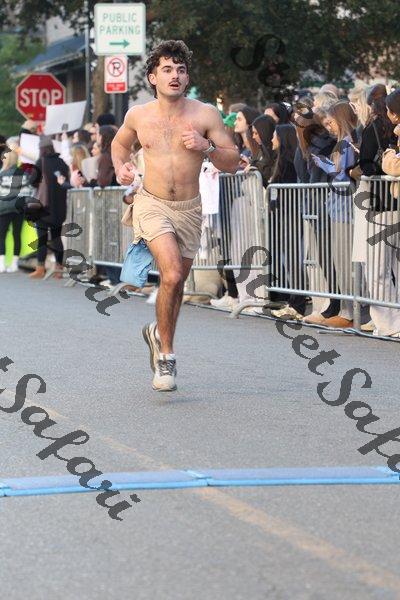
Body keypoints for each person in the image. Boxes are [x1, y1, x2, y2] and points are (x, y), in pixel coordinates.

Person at [111, 39, 239, 391]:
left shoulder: (205, 114)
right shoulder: (138, 115)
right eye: (167, 69)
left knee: (176, 280)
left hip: (189, 208)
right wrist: (121, 166)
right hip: (151, 203)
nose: (175, 76)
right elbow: (119, 144)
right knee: (170, 272)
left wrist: (207, 146)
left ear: (187, 77)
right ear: (153, 77)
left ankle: (157, 333)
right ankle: (166, 357)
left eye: (181, 70)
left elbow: (232, 160)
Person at [311, 100, 358, 328]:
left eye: (330, 122)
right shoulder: (344, 142)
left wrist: (322, 163)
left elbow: (340, 173)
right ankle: (348, 311)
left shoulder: (346, 143)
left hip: (344, 207)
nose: (328, 127)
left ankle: (349, 312)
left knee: (344, 259)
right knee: (340, 259)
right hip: (339, 206)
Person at [29, 136, 69, 279]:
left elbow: (32, 181)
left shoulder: (41, 162)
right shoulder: (62, 163)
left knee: (42, 238)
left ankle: (40, 268)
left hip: (43, 207)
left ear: (41, 149)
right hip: (59, 207)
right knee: (56, 238)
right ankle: (59, 268)